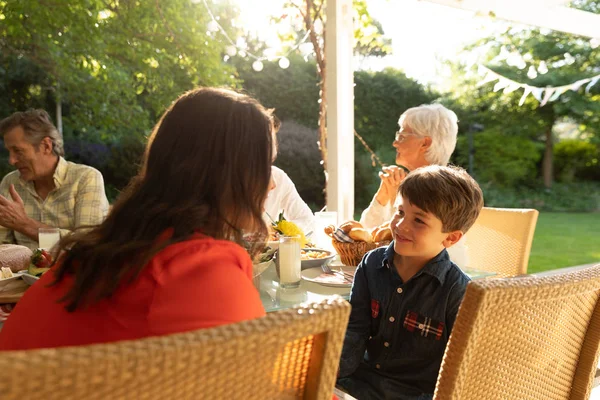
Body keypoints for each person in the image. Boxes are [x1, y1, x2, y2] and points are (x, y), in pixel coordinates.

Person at [0, 87, 276, 350]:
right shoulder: (199, 269)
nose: (271, 184)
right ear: (231, 176)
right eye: (267, 166)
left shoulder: (109, 251)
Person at [337, 165, 484, 400]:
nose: (401, 225)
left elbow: (464, 369)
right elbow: (356, 328)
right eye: (400, 212)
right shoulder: (371, 263)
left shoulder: (458, 291)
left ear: (451, 237)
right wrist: (328, 375)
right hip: (360, 384)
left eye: (419, 221)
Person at [359, 104, 469, 268]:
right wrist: (383, 196)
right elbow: (365, 235)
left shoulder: (444, 191)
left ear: (425, 143)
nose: (395, 143)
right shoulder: (406, 184)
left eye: (402, 136)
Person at [0, 110, 109, 251]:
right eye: (9, 151)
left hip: (72, 272)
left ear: (46, 146)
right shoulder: (10, 182)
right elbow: (2, 246)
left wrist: (24, 224)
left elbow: (87, 244)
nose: (11, 160)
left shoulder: (86, 178)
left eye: (18, 151)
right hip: (21, 273)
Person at [264, 165, 316, 235]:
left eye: (270, 161)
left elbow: (307, 221)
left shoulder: (279, 178)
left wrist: (279, 231)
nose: (274, 184)